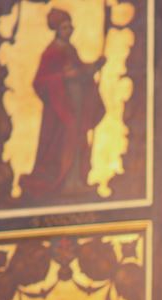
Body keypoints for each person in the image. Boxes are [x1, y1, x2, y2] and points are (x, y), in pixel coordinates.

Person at [19, 8, 103, 201]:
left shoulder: (70, 49)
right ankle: (62, 183)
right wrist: (63, 77)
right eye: (65, 27)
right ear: (57, 29)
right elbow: (39, 81)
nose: (69, 30)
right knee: (61, 147)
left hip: (75, 104)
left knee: (77, 142)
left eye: (70, 26)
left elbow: (81, 71)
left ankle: (76, 182)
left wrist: (95, 66)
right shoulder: (51, 51)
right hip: (60, 111)